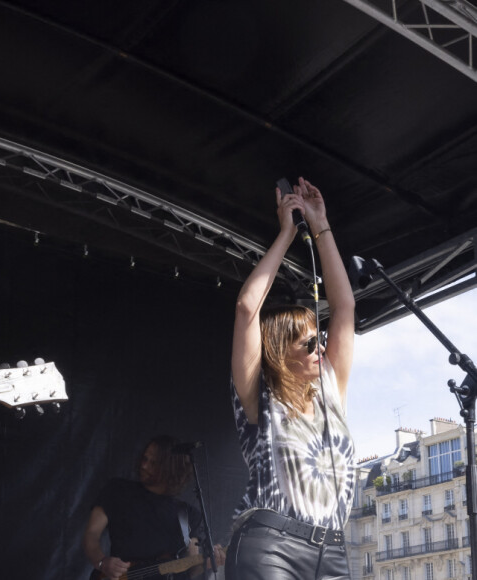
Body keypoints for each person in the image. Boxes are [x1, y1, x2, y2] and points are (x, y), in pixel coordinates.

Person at [225, 177, 356, 580]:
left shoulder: (329, 389)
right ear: (282, 352)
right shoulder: (259, 396)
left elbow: (345, 307)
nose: (321, 347)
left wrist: (320, 226)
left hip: (332, 550)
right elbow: (248, 308)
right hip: (271, 544)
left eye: (321, 339)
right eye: (310, 342)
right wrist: (286, 233)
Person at [83, 435, 224, 580]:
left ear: (172, 468)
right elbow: (91, 535)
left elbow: (189, 570)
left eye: (154, 463)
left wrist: (206, 563)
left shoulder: (188, 515)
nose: (144, 466)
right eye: (145, 459)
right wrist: (102, 562)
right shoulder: (118, 490)